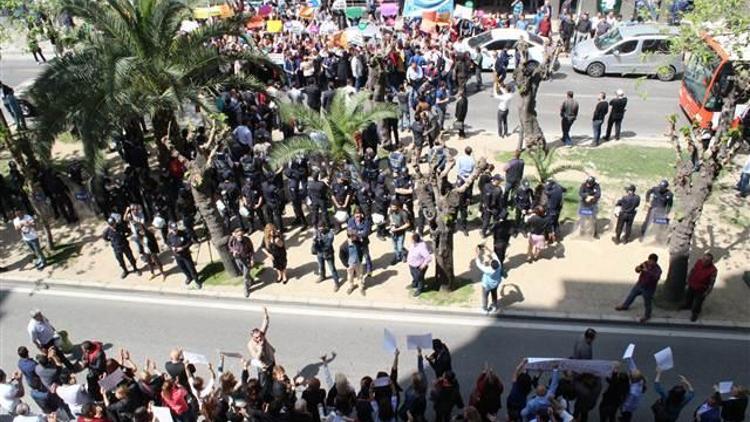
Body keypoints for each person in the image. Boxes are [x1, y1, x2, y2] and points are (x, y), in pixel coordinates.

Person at [616, 253, 662, 323]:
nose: (650, 262)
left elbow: (656, 278)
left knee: (647, 303)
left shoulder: (658, 270)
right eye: (649, 260)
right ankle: (625, 306)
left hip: (649, 288)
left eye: (652, 261)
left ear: (655, 262)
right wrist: (638, 268)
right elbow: (637, 270)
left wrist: (648, 271)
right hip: (640, 284)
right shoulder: (645, 263)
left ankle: (647, 315)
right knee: (631, 295)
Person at [681, 253, 717, 322]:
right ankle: (687, 305)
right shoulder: (698, 262)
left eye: (707, 261)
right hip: (692, 284)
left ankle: (695, 313)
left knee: (698, 303)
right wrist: (688, 279)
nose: (704, 261)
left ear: (710, 262)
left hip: (701, 289)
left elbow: (711, 282)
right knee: (689, 297)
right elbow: (693, 271)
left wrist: (707, 292)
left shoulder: (713, 270)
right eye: (704, 259)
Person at [166, 222, 201, 288]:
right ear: (170, 229)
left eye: (176, 229)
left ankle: (197, 281)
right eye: (173, 230)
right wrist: (172, 247)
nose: (175, 231)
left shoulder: (183, 233)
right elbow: (168, 243)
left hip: (185, 255)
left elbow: (190, 242)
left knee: (191, 268)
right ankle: (189, 277)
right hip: (177, 256)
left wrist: (182, 248)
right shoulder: (169, 236)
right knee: (183, 268)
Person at [474, 246, 503, 313]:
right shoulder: (499, 265)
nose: (490, 260)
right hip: (495, 284)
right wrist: (487, 248)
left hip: (486, 285)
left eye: (490, 261)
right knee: (494, 295)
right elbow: (494, 254)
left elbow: (479, 264)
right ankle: (494, 306)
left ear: (491, 266)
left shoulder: (488, 270)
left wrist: (477, 253)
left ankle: (485, 308)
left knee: (485, 296)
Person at [228, 228, 256, 297]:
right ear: (235, 235)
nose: (240, 236)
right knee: (243, 272)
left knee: (245, 276)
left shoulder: (247, 240)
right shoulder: (232, 239)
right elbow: (230, 246)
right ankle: (251, 280)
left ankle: (246, 289)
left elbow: (251, 250)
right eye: (238, 235)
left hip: (246, 259)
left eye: (241, 235)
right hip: (238, 259)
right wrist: (233, 251)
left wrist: (252, 259)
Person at [312, 223, 341, 290]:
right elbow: (314, 245)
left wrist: (319, 241)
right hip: (320, 253)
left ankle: (336, 282)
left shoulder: (330, 234)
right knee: (321, 266)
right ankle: (322, 276)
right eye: (319, 227)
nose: (320, 229)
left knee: (332, 269)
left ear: (325, 227)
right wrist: (314, 241)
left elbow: (328, 245)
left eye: (322, 227)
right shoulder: (316, 233)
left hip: (328, 254)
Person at [388, 201, 411, 265]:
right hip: (393, 232)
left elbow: (407, 224)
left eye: (394, 207)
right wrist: (392, 224)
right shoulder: (391, 211)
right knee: (395, 246)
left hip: (401, 232)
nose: (393, 209)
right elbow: (391, 218)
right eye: (391, 207)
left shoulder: (403, 213)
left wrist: (397, 229)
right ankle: (398, 257)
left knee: (400, 246)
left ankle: (404, 254)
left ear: (398, 207)